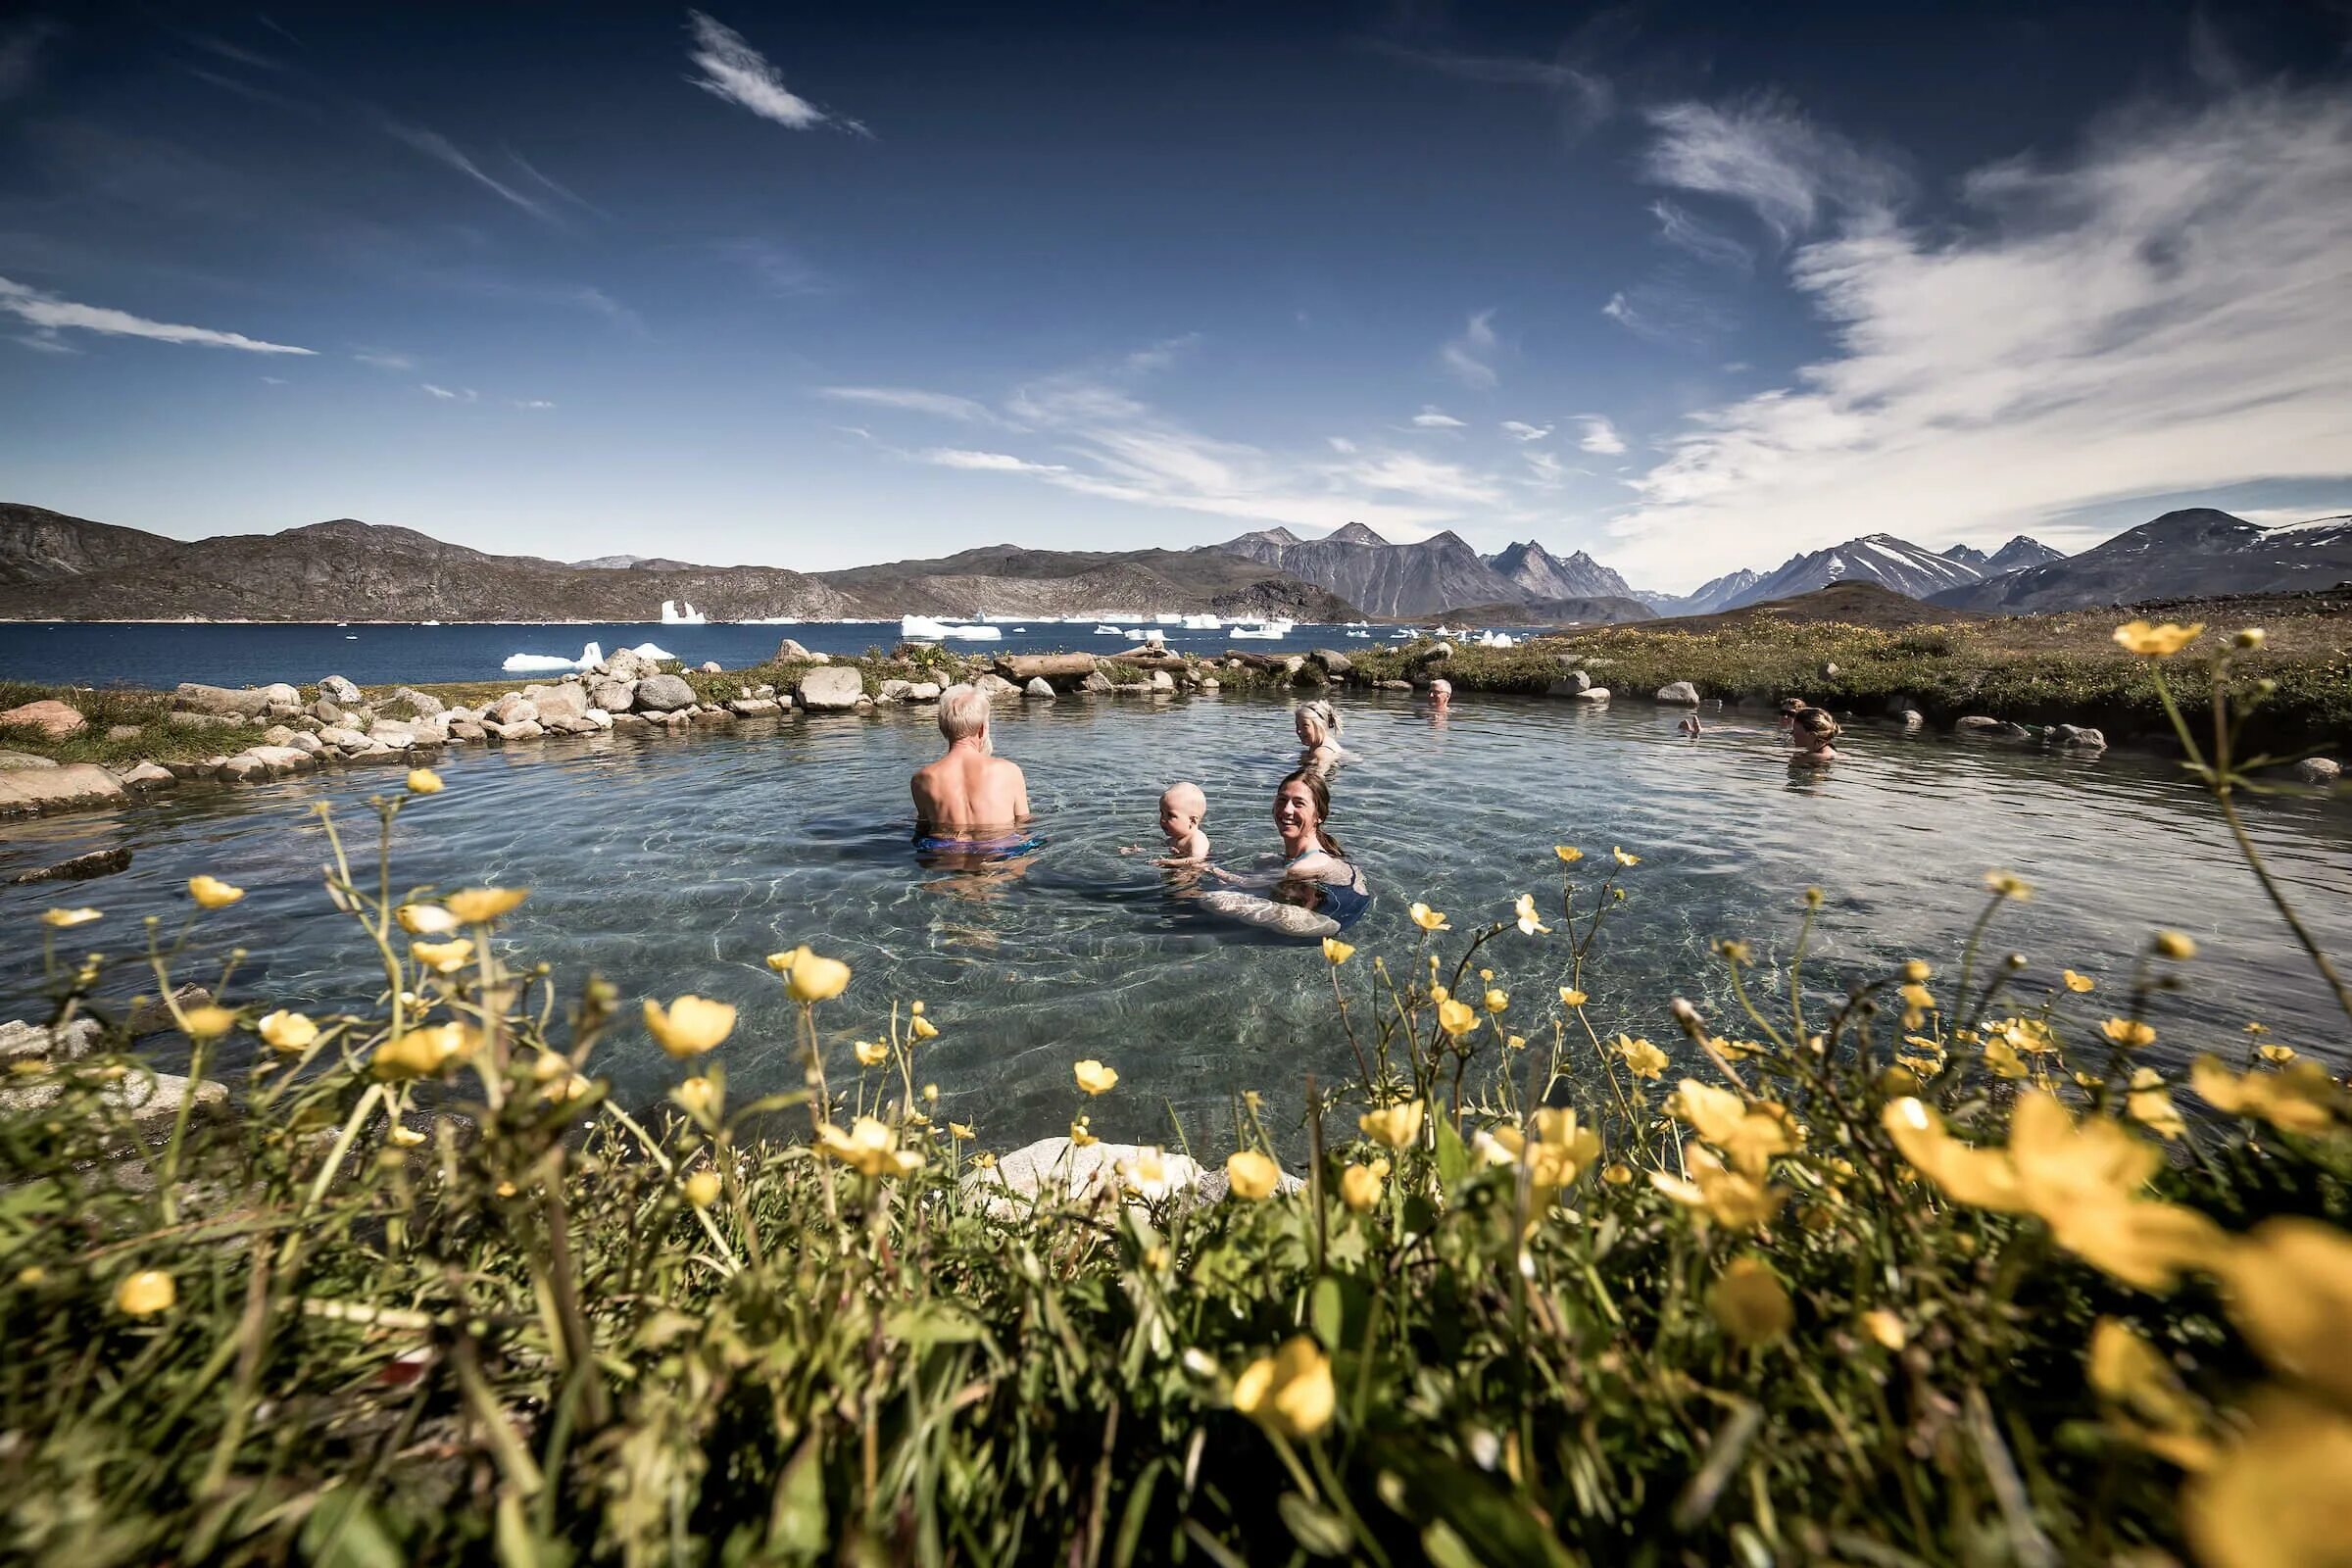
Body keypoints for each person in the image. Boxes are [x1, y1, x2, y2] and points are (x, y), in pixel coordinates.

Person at [1195, 768, 1371, 938]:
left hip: (1331, 921)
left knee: (1213, 899)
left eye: (1299, 803)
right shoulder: (1308, 858)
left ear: (1319, 815)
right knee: (1264, 860)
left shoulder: (1308, 864)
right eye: (1282, 800)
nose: (1286, 810)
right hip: (1323, 908)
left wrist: (1205, 867)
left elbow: (1246, 883)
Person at [910, 683, 1033, 850]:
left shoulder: (921, 779)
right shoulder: (1009, 771)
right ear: (982, 729)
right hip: (1000, 855)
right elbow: (1023, 824)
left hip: (945, 854)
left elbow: (924, 827)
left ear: (942, 728)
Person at [1122, 781, 1210, 867]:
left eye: (1171, 815)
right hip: (1178, 865)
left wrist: (1171, 862)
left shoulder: (1197, 839)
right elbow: (1156, 852)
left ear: (1192, 821)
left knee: (1182, 877)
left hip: (1194, 870)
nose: (1163, 819)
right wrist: (1138, 851)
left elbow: (1197, 859)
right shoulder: (1172, 840)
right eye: (1162, 813)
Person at [1294, 700, 1348, 772]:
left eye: (1305, 725)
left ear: (1320, 725)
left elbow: (1314, 780)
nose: (1299, 731)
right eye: (1297, 725)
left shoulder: (1320, 753)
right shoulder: (1328, 743)